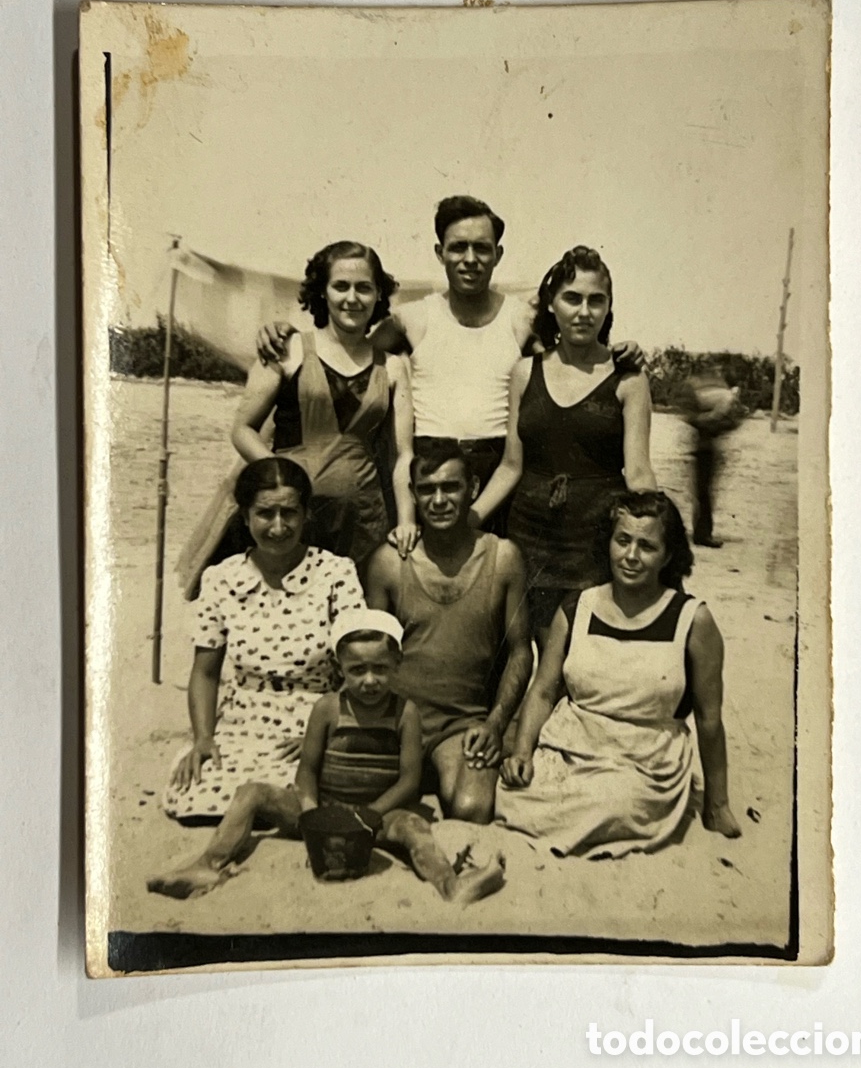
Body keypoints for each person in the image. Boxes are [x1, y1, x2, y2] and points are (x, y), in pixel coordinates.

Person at [255, 198, 645, 522]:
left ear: (498, 255)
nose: (470, 258)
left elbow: (568, 367)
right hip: (430, 465)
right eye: (458, 247)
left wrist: (619, 351)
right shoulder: (412, 317)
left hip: (498, 468)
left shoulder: (521, 319)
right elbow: (345, 352)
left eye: (482, 248)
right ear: (440, 253)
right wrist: (282, 330)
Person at [148, 609, 506, 905]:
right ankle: (208, 863)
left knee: (416, 829)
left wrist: (371, 815)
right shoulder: (328, 709)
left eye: (380, 669)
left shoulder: (406, 713)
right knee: (251, 793)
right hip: (328, 809)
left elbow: (409, 781)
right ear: (340, 668)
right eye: (357, 670)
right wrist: (310, 812)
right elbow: (307, 769)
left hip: (378, 814)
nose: (369, 680)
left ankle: (450, 885)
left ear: (397, 662)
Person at [495, 490, 741, 858]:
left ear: (668, 555)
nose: (631, 556)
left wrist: (717, 804)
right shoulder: (579, 607)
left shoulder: (692, 621)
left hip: (644, 759)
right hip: (571, 744)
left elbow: (708, 718)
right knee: (510, 791)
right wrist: (523, 753)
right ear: (607, 543)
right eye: (622, 540)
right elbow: (544, 691)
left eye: (647, 546)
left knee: (614, 801)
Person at [178, 241, 417, 599]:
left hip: (360, 524)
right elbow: (243, 429)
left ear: (378, 294)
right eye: (341, 286)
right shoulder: (287, 350)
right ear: (322, 291)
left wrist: (407, 520)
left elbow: (402, 457)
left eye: (364, 288)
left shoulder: (393, 366)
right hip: (287, 519)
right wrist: (282, 480)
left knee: (351, 630)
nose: (352, 298)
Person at [470, 245, 657, 643]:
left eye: (596, 300)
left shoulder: (629, 380)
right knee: (530, 644)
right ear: (552, 305)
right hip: (530, 533)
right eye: (572, 298)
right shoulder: (524, 372)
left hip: (594, 536)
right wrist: (470, 518)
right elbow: (510, 466)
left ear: (609, 308)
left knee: (579, 650)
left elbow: (639, 472)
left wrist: (655, 540)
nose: (584, 311)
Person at [162, 457, 366, 821]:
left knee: (300, 792)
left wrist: (326, 735)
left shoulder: (337, 574)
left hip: (316, 722)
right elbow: (205, 673)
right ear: (244, 516)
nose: (277, 527)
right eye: (264, 514)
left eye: (289, 513)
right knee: (193, 797)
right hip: (242, 723)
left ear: (306, 515)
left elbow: (360, 668)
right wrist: (204, 738)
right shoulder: (221, 579)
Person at [366, 443, 533, 823]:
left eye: (450, 487)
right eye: (427, 489)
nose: (438, 500)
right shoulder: (390, 563)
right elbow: (371, 654)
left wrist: (494, 724)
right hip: (394, 719)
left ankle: (434, 772)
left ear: (473, 488)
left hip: (461, 725)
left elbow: (522, 651)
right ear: (413, 494)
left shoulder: (504, 558)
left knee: (471, 808)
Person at [678, 371, 743, 548]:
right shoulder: (726, 399)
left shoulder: (711, 396)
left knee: (702, 492)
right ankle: (702, 534)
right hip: (706, 448)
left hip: (703, 446)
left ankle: (701, 532)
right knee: (704, 493)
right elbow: (713, 420)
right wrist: (712, 421)